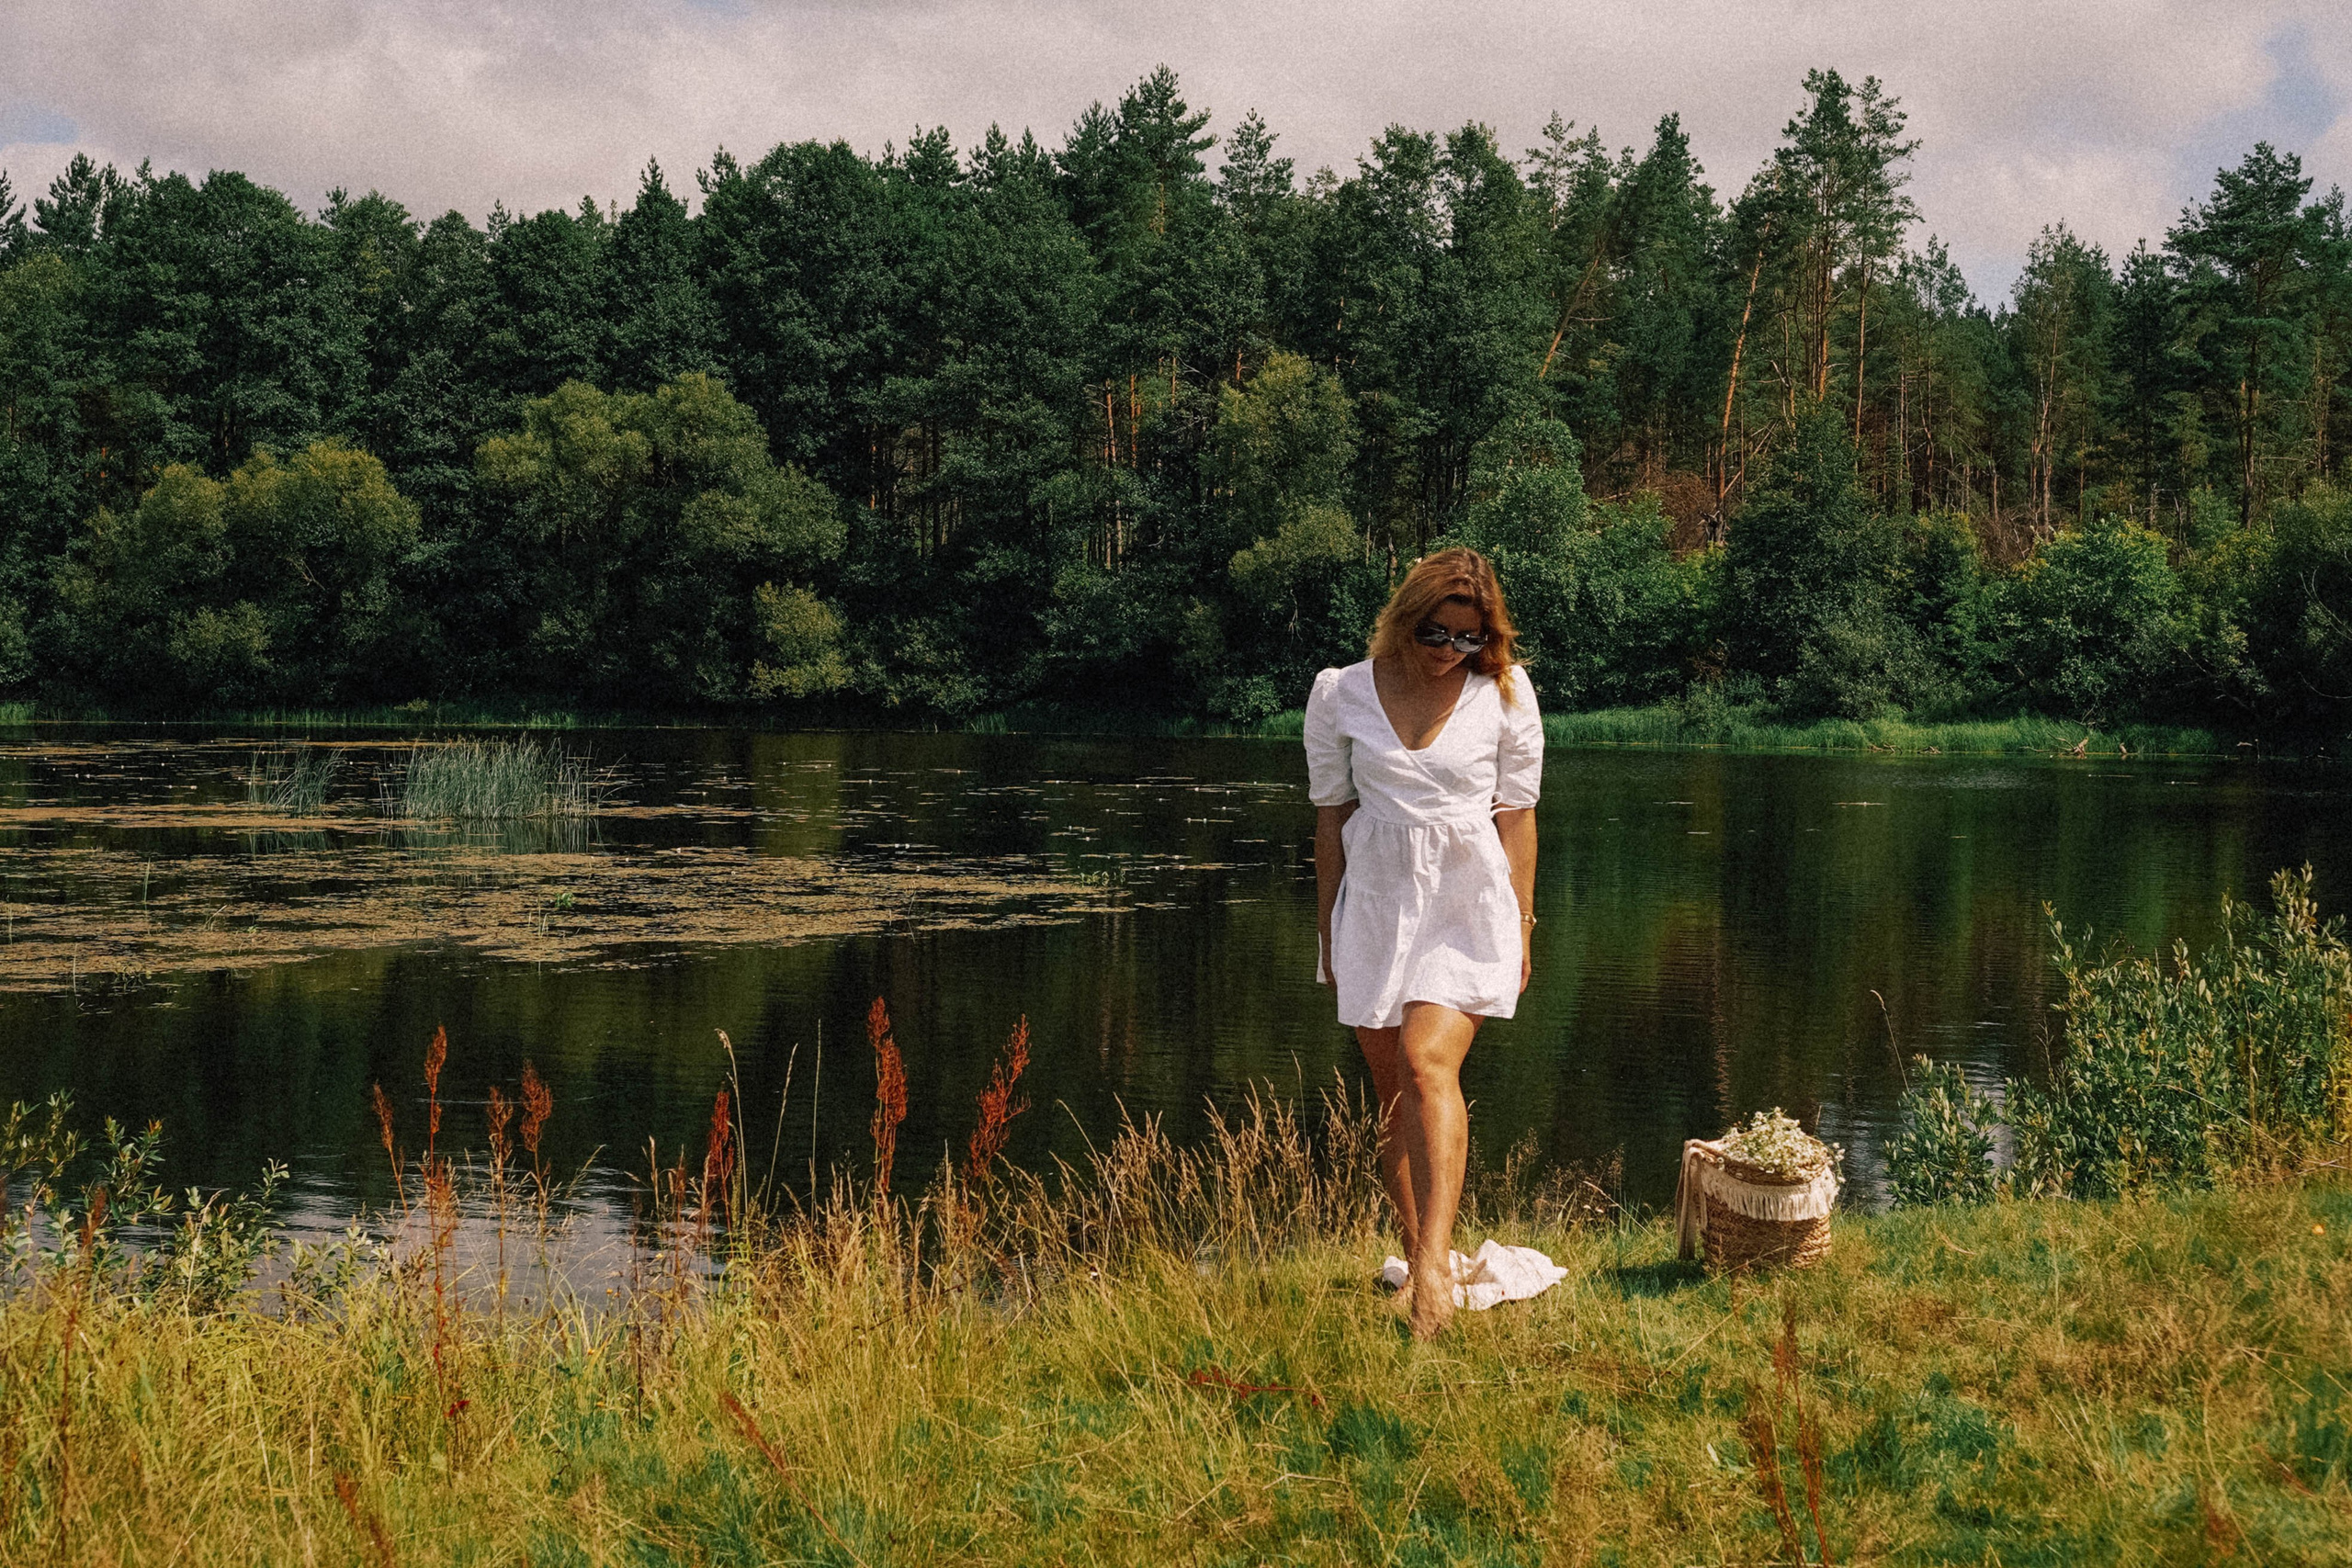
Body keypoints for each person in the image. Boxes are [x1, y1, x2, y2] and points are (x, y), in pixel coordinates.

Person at [1304, 547, 1543, 1339]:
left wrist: (1523, 922)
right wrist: (1326, 925)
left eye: (1469, 639)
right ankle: (1418, 1253)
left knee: (1425, 1060)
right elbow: (1331, 818)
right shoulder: (1341, 693)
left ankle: (1435, 1271)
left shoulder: (1504, 695)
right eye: (1438, 634)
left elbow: (1517, 816)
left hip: (1466, 905)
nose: (1451, 653)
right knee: (1393, 1096)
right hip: (1373, 903)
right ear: (1407, 620)